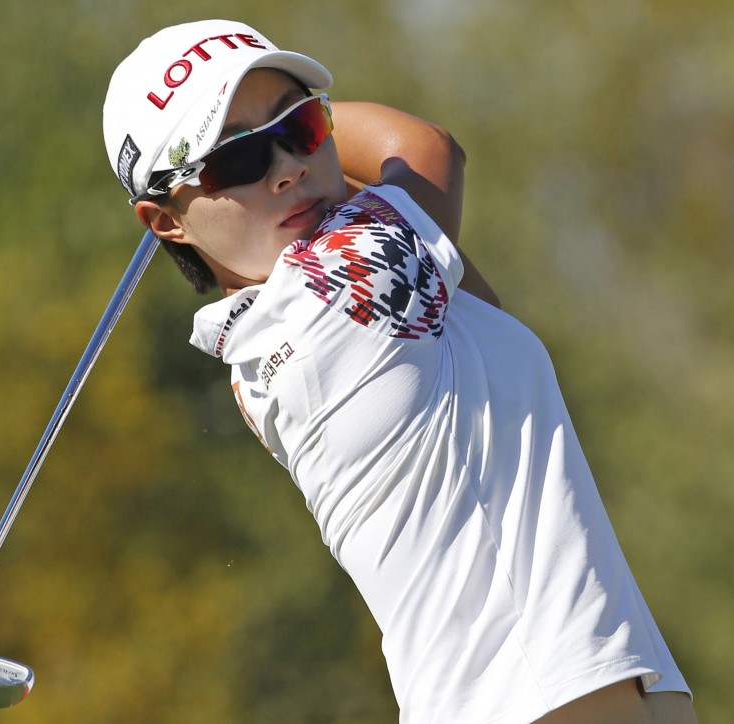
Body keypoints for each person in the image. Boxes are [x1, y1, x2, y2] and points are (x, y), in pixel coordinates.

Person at [103, 19, 697, 723]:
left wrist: (245, 149)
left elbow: (481, 311)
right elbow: (422, 147)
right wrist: (304, 124)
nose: (286, 167)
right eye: (237, 160)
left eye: (300, 127)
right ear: (165, 221)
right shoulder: (339, 284)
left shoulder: (276, 338)